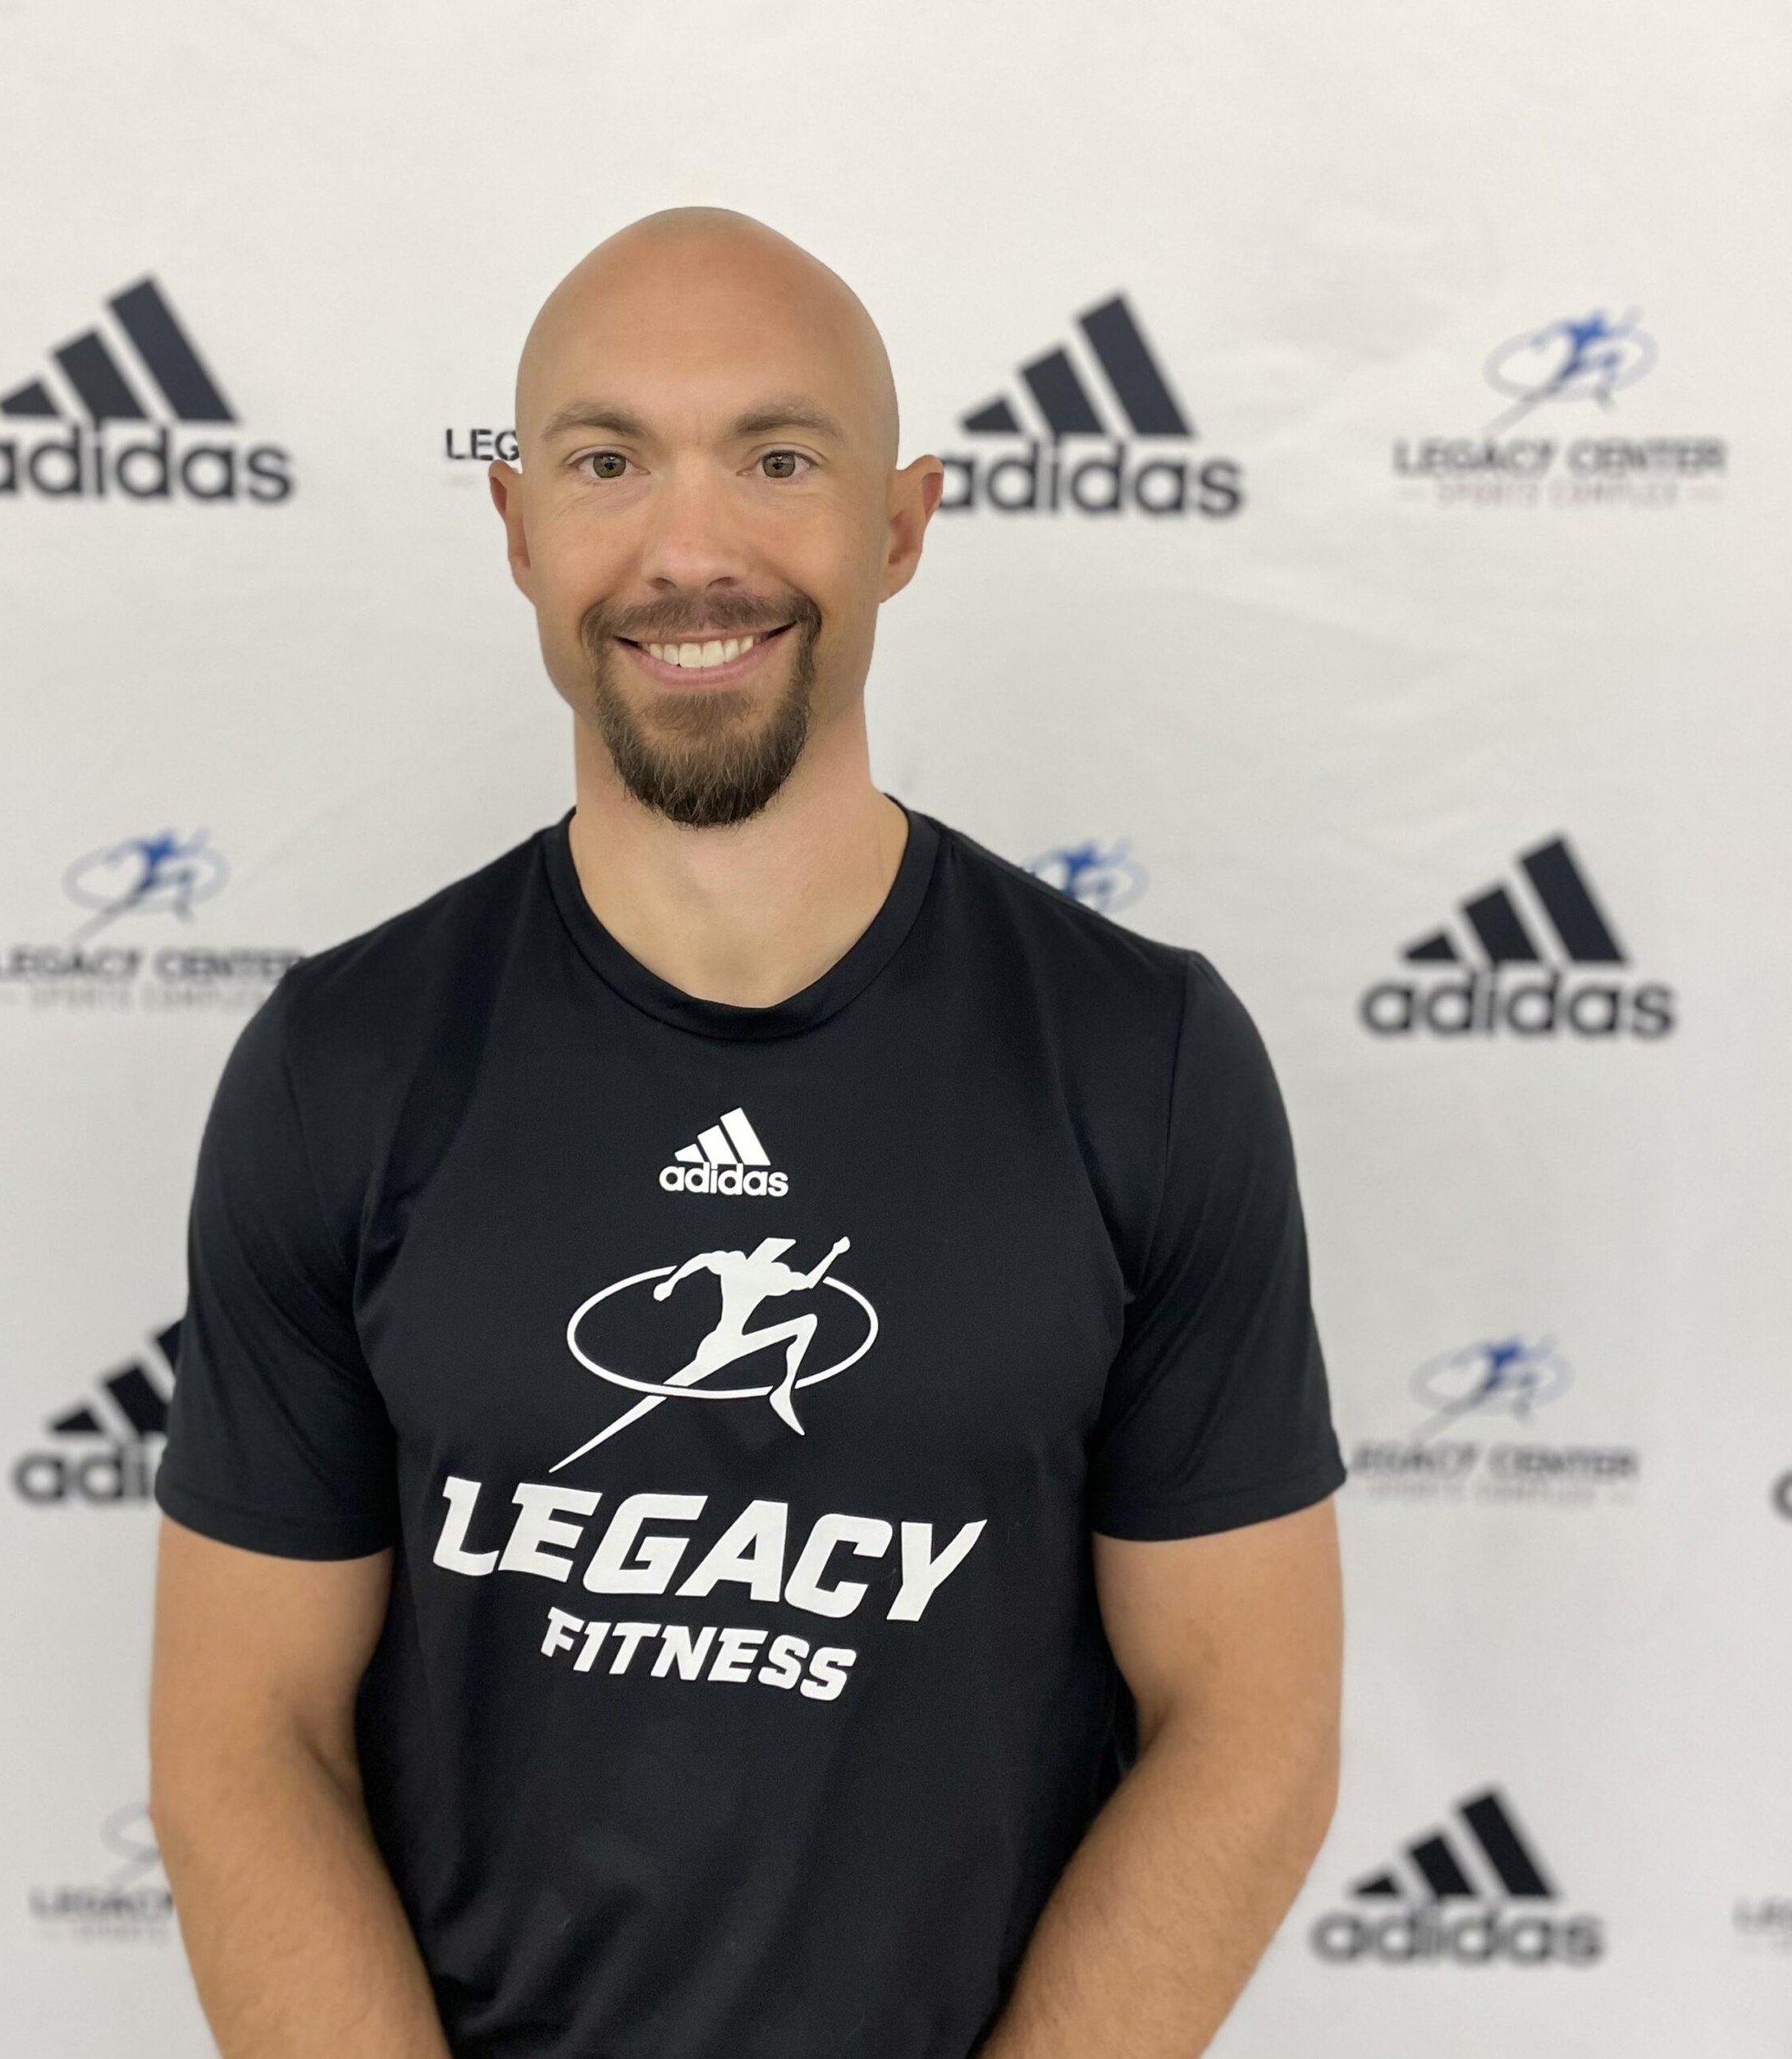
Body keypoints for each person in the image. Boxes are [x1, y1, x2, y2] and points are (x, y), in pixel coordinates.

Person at [149, 206, 1347, 2059]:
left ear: (898, 522)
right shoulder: (346, 1064)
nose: (687, 550)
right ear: (518, 526)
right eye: (607, 463)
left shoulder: (1141, 1058)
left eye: (775, 460)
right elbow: (248, 1741)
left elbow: (1247, 1725)